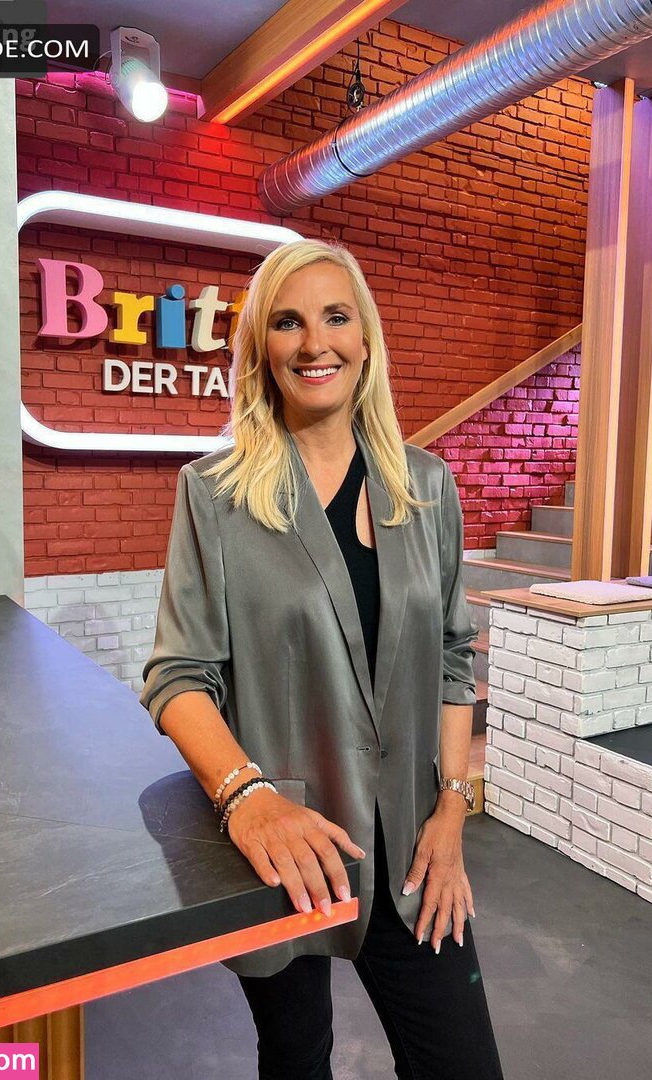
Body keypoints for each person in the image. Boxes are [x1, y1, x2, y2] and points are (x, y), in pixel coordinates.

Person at [140, 238, 505, 1079]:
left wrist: (452, 811)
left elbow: (454, 657)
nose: (315, 344)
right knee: (297, 1058)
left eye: (336, 317)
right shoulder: (215, 494)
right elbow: (178, 677)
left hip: (414, 844)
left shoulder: (427, 486)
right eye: (287, 323)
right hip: (286, 843)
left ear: (365, 340)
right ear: (261, 350)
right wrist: (248, 800)